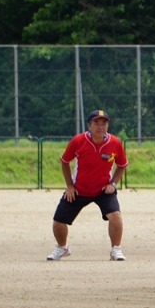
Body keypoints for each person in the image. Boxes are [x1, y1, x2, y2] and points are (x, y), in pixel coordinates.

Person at [47, 109, 129, 261]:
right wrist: (70, 186)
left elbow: (122, 165)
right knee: (58, 222)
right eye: (96, 123)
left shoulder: (114, 142)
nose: (100, 126)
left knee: (115, 216)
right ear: (89, 125)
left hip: (103, 189)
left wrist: (113, 183)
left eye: (104, 123)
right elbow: (64, 161)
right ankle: (62, 247)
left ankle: (116, 250)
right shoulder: (78, 141)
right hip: (79, 189)